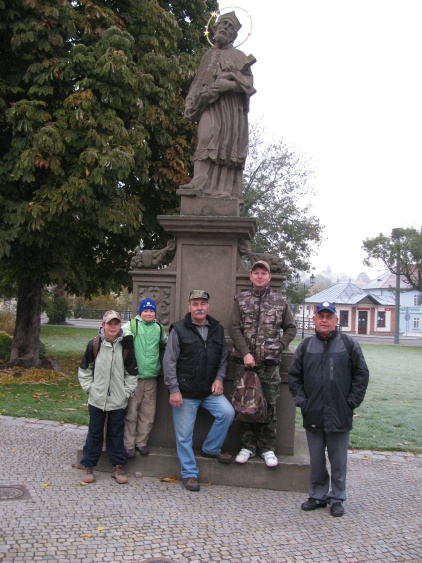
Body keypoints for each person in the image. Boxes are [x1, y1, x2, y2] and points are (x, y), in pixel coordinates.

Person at [288, 302, 369, 517]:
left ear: (336, 320)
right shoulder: (306, 346)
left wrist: (351, 402)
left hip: (339, 411)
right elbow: (294, 376)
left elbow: (361, 374)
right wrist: (302, 401)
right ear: (314, 320)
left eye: (329, 316)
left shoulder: (348, 344)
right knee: (316, 458)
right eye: (321, 316)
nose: (324, 320)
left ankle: (337, 497)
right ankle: (317, 495)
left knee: (338, 458)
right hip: (313, 410)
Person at [163, 290, 235, 492]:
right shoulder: (178, 329)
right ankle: (189, 473)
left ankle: (211, 448)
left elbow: (223, 358)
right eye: (195, 304)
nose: (199, 307)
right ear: (189, 307)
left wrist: (219, 379)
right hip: (185, 393)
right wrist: (174, 389)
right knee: (184, 436)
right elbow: (169, 361)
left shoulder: (217, 329)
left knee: (227, 413)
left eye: (203, 303)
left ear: (208, 307)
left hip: (208, 391)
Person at [228, 260, 297, 467]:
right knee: (245, 405)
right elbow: (233, 328)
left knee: (270, 405)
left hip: (269, 364)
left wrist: (279, 346)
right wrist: (246, 353)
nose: (259, 276)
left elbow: (291, 328)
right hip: (245, 364)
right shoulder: (241, 300)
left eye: (263, 273)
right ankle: (247, 446)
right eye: (256, 273)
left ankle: (267, 448)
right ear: (251, 277)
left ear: (269, 277)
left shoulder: (280, 301)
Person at [181, 11, 256, 199]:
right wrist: (191, 102)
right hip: (210, 104)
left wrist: (230, 86)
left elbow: (248, 84)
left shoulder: (239, 56)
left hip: (230, 109)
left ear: (234, 35)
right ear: (215, 28)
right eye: (223, 24)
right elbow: (198, 82)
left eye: (230, 27)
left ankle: (223, 190)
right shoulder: (208, 55)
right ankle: (198, 182)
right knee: (206, 137)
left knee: (225, 144)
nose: (225, 28)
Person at [78, 311, 138, 484]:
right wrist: (89, 388)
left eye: (116, 324)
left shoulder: (126, 346)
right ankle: (88, 465)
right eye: (109, 324)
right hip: (97, 399)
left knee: (116, 434)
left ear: (120, 325)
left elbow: (132, 373)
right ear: (103, 325)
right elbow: (85, 369)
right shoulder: (94, 345)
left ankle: (117, 466)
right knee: (94, 433)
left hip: (118, 400)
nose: (113, 327)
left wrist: (126, 392)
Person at [123, 298, 167, 457]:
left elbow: (164, 342)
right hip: (134, 378)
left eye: (151, 311)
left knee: (147, 414)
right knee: (131, 413)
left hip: (151, 377)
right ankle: (128, 444)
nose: (148, 313)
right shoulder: (133, 325)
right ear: (140, 312)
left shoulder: (158, 328)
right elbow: (122, 332)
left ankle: (141, 442)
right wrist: (127, 336)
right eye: (145, 311)